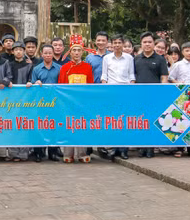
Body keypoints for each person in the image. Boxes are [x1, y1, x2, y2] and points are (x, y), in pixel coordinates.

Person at [58, 35, 93, 163]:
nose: (76, 53)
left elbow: (90, 86)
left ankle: (82, 153)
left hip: (82, 103)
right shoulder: (65, 68)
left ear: (82, 52)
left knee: (82, 126)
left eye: (79, 50)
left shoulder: (88, 67)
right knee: (69, 126)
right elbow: (61, 86)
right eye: (74, 50)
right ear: (70, 52)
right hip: (68, 103)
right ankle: (68, 153)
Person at [101, 34, 135, 159]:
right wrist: (105, 90)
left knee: (125, 121)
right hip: (111, 93)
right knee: (114, 121)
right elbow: (104, 76)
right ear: (111, 44)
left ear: (122, 44)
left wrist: (131, 89)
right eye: (114, 43)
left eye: (119, 43)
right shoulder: (107, 58)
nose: (116, 45)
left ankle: (124, 149)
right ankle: (114, 148)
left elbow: (131, 75)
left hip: (125, 92)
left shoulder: (129, 58)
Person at [135, 32, 169, 158]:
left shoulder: (160, 59)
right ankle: (142, 148)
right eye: (145, 42)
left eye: (150, 42)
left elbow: (164, 77)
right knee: (140, 121)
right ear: (141, 44)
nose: (147, 44)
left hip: (154, 95)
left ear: (154, 44)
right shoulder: (136, 59)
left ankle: (150, 149)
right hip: (139, 95)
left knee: (152, 122)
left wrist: (161, 93)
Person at [32, 43, 62, 162]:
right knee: (40, 126)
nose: (48, 55)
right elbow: (33, 84)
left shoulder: (59, 69)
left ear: (53, 54)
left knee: (53, 127)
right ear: (41, 54)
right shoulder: (36, 69)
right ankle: (38, 153)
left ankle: (53, 152)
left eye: (50, 53)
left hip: (55, 103)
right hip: (41, 103)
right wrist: (36, 83)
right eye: (46, 53)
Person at [8, 41, 33, 161]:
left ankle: (24, 153)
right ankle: (13, 153)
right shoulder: (9, 64)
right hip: (11, 99)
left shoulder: (29, 65)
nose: (18, 51)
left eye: (20, 49)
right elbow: (6, 77)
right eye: (16, 49)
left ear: (24, 51)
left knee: (24, 125)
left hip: (25, 99)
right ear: (12, 52)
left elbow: (31, 79)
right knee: (13, 125)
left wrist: (30, 82)